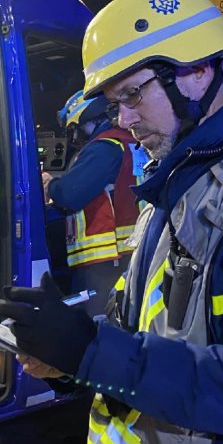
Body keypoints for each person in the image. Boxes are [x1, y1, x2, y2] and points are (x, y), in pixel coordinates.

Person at [0, 0, 223, 444]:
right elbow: (155, 327)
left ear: (196, 71)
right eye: (114, 103)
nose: (124, 121)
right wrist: (70, 355)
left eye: (133, 94)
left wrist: (92, 350)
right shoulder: (181, 177)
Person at [42, 90, 143, 316]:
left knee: (93, 323)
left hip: (105, 258)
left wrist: (50, 185)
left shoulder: (104, 147)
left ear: (86, 119)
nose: (75, 137)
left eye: (75, 129)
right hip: (125, 253)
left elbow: (71, 193)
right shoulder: (128, 142)